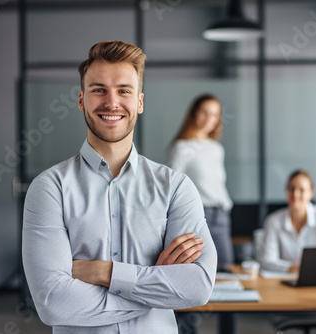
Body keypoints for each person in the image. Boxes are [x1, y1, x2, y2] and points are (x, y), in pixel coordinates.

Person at [22, 40, 217, 334]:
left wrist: (104, 272)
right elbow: (53, 302)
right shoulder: (50, 188)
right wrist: (157, 286)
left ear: (139, 102)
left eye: (123, 90)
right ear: (81, 100)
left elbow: (198, 286)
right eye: (98, 89)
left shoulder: (175, 187)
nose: (111, 102)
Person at [168, 94, 234, 270]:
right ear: (194, 114)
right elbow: (172, 186)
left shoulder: (216, 148)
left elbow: (218, 184)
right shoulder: (182, 148)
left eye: (214, 114)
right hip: (198, 214)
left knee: (226, 267)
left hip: (221, 215)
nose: (209, 119)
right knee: (200, 268)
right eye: (204, 112)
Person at [259, 169, 316, 273]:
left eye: (302, 190)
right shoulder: (273, 221)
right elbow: (267, 261)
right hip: (283, 283)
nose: (295, 194)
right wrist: (293, 268)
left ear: (311, 193)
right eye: (291, 188)